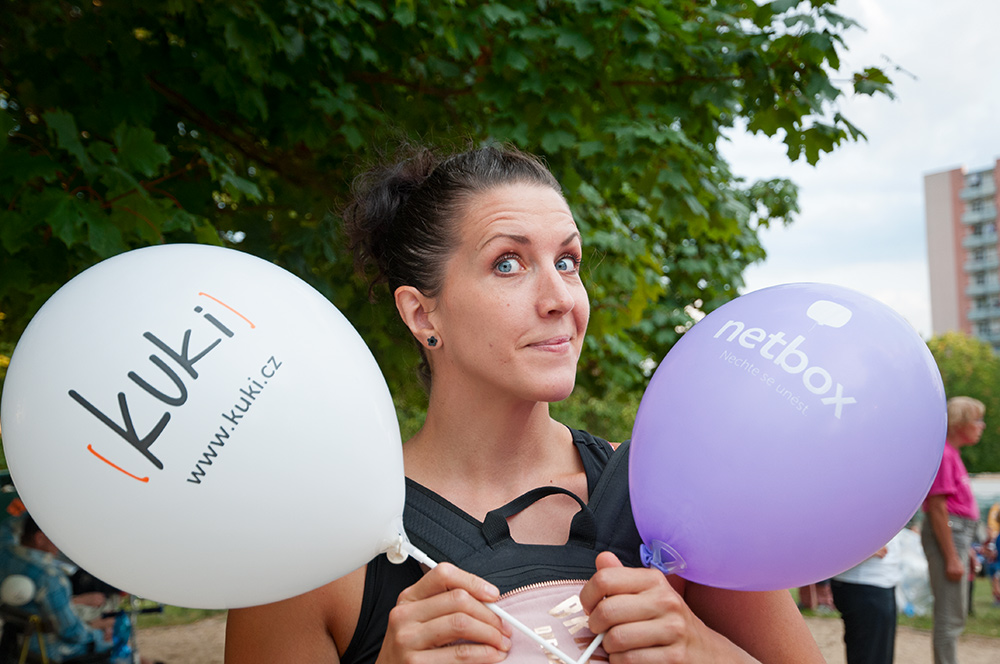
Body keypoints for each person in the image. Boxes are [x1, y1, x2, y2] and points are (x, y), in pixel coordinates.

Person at [224, 144, 825, 663]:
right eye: (508, 264)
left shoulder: (670, 496)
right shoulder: (316, 550)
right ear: (422, 314)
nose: (560, 297)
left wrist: (702, 649)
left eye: (567, 261)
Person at [921, 395, 985, 664]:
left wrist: (964, 550)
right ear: (960, 424)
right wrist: (951, 556)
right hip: (950, 532)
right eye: (977, 420)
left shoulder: (952, 454)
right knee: (949, 614)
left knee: (956, 612)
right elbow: (938, 507)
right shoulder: (945, 454)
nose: (981, 426)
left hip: (958, 534)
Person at [0, 514, 115, 663]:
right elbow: (72, 632)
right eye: (55, 537)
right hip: (44, 652)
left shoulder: (4, 553)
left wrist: (38, 514)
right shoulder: (50, 577)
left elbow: (6, 525)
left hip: (13, 644)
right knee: (110, 644)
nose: (60, 544)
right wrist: (96, 632)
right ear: (40, 538)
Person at [830, 530, 906, 664]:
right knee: (870, 656)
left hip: (877, 581)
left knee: (876, 655)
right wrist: (862, 549)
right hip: (865, 583)